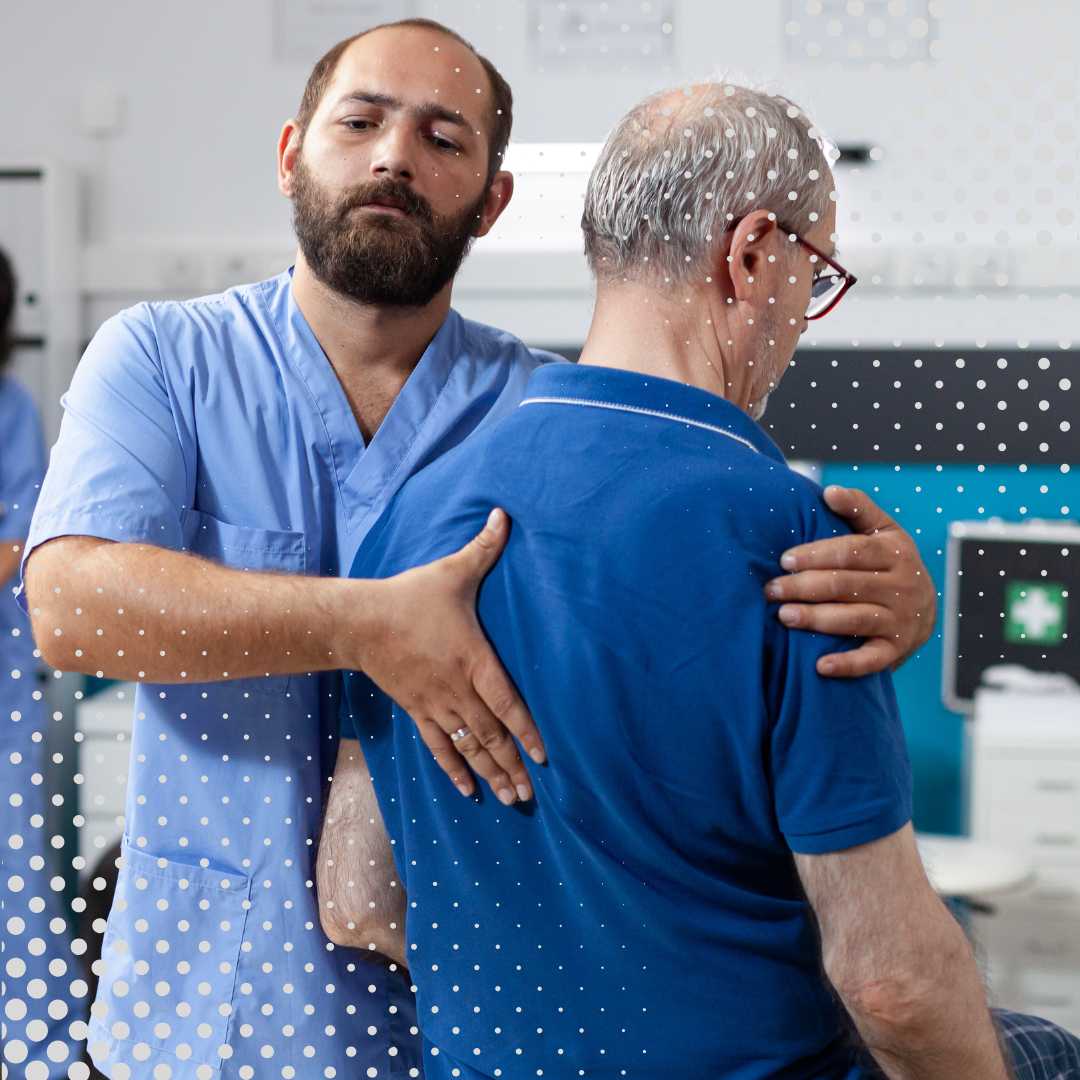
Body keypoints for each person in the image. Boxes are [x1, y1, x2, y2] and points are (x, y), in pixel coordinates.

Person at [21, 19, 934, 1079]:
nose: (394, 157)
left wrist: (892, 600)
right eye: (360, 121)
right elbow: (69, 610)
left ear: (493, 202)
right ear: (290, 154)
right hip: (209, 1015)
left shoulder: (539, 411)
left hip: (459, 1032)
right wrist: (367, 625)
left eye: (443, 138)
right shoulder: (163, 361)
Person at [326, 83, 1080, 1078]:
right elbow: (891, 984)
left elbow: (356, 899)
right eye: (815, 278)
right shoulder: (800, 549)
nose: (803, 319)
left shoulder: (401, 530)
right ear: (754, 254)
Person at [1, 247, 89, 1079]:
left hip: (4, 696)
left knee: (18, 889)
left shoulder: (10, 408)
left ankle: (44, 1060)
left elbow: (17, 548)